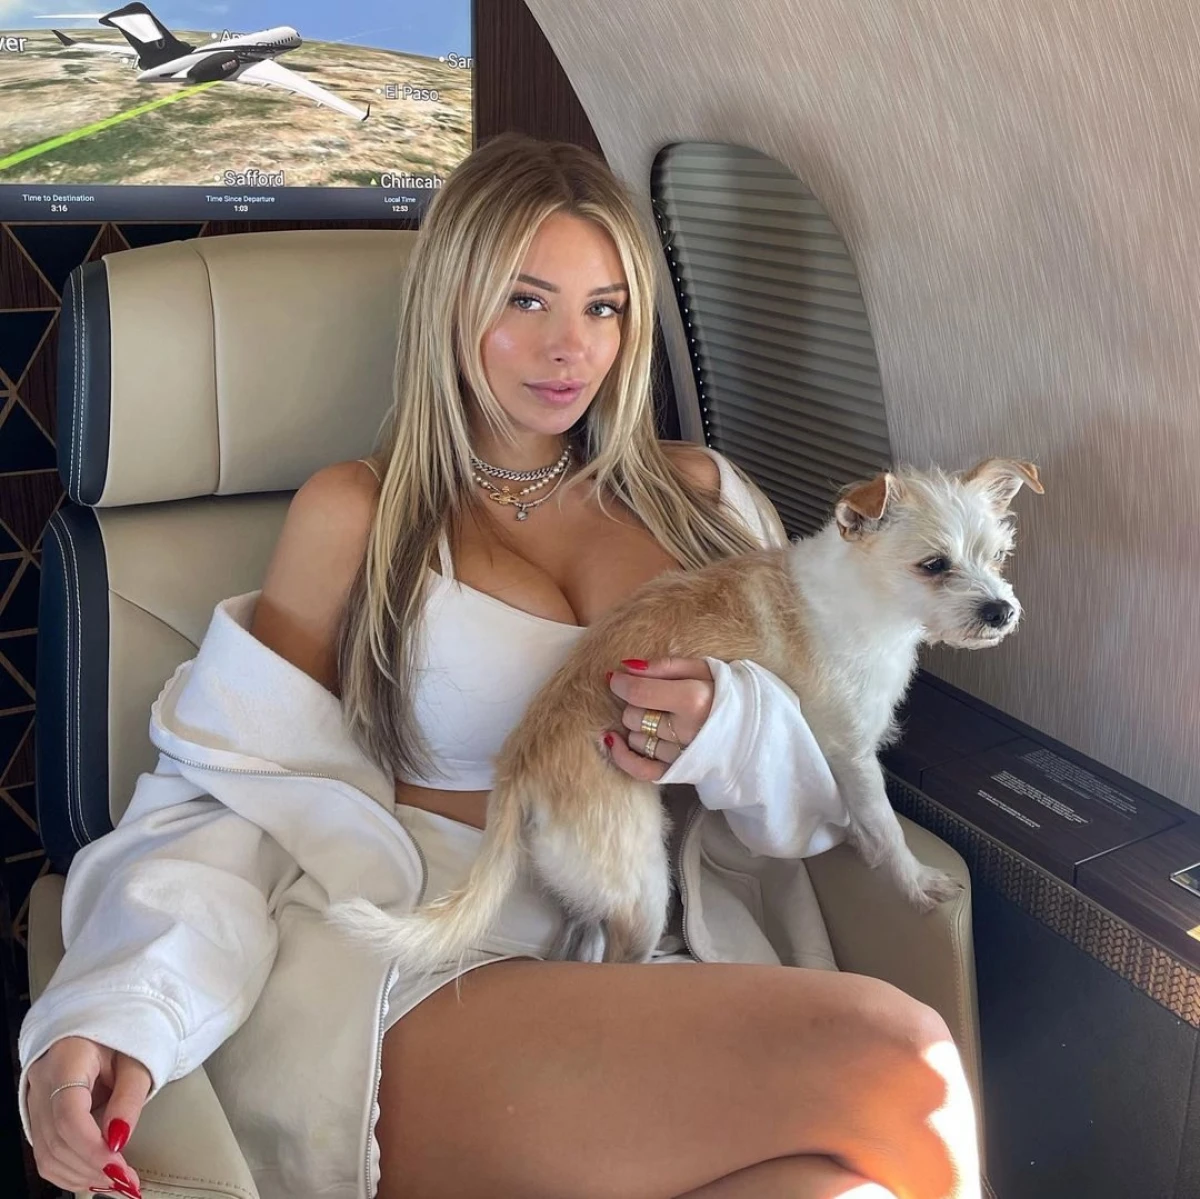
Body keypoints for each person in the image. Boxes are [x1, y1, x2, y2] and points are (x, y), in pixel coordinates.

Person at [19, 133, 980, 1199]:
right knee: (904, 1060)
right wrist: (122, 1006)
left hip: (649, 942)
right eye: (527, 300)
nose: (571, 348)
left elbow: (817, 790)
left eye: (605, 307)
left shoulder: (705, 501)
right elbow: (228, 794)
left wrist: (733, 723)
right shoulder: (360, 516)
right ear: (453, 302)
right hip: (431, 953)